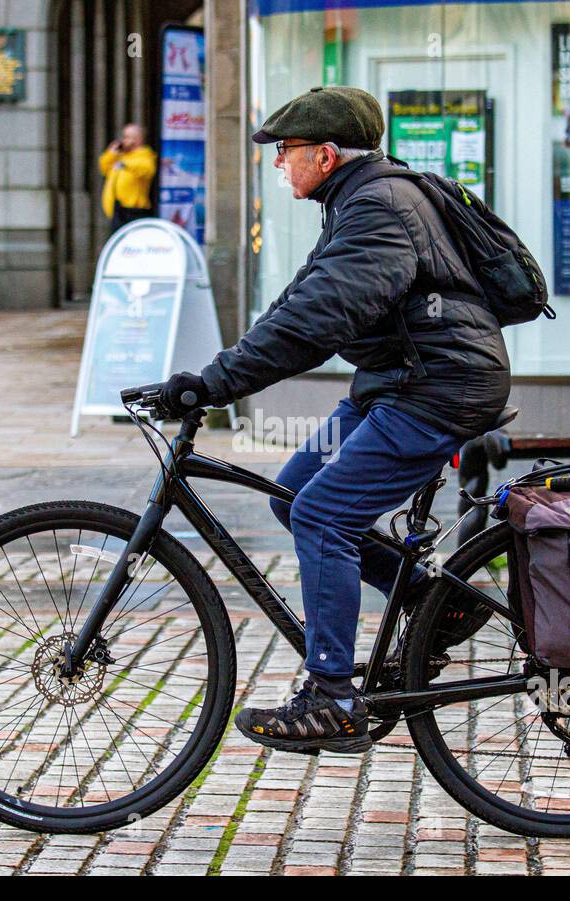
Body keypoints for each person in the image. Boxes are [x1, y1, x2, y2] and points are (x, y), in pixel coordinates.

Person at [157, 86, 509, 753]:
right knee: (295, 494)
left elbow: (318, 322)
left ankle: (331, 696)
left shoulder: (379, 206)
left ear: (325, 154)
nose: (277, 163)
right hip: (395, 383)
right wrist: (209, 377)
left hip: (437, 388)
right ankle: (442, 602)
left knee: (323, 514)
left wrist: (214, 385)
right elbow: (297, 303)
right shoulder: (357, 201)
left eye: (285, 151)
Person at [99, 123, 156, 232]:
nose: (123, 140)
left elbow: (148, 169)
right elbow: (104, 167)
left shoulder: (145, 156)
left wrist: (126, 165)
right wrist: (111, 154)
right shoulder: (121, 157)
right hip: (118, 210)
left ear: (137, 139)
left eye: (127, 137)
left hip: (133, 210)